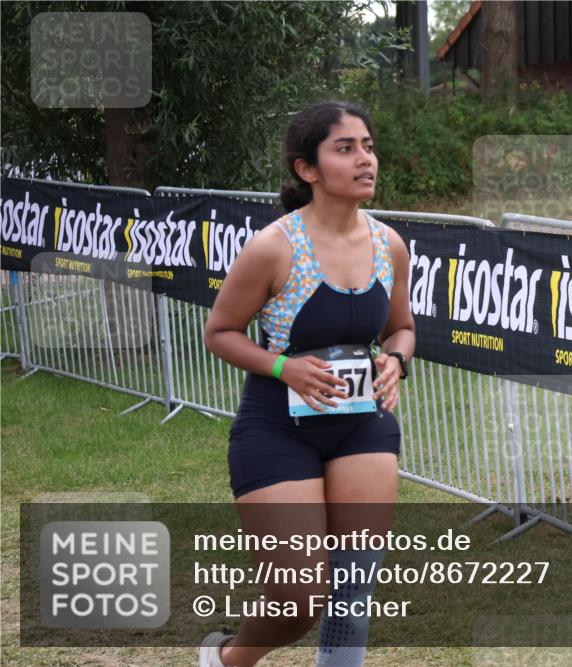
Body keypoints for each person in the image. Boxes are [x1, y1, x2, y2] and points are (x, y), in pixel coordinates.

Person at [201, 100, 415, 667]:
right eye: (345, 148)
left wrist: (396, 360)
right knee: (298, 597)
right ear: (307, 169)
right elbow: (220, 332)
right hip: (277, 429)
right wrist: (284, 367)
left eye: (368, 146)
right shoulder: (274, 246)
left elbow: (402, 327)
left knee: (352, 590)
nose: (365, 159)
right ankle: (226, 661)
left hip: (363, 427)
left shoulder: (389, 245)